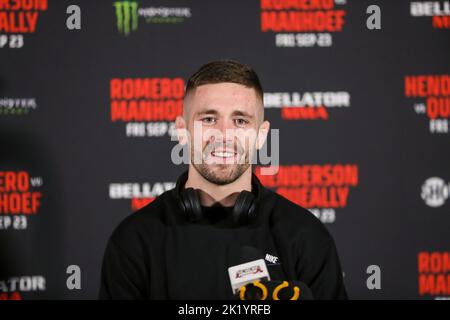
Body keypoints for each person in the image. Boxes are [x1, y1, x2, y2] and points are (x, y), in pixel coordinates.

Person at [99, 59, 348, 299]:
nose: (224, 135)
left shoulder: (305, 237)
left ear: (261, 136)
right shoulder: (134, 241)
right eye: (209, 119)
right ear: (182, 132)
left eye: (240, 121)